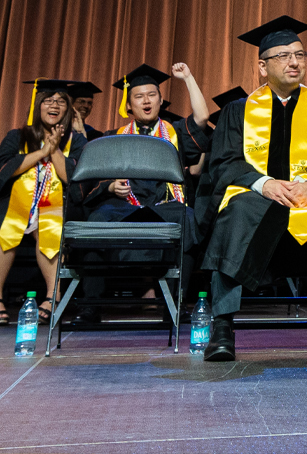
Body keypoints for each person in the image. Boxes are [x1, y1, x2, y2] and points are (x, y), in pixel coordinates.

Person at [199, 16, 307, 362]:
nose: (294, 61)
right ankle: (222, 325)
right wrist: (263, 184)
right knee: (239, 210)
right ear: (262, 67)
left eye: (299, 54)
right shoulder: (238, 111)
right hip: (257, 194)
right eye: (283, 56)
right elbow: (223, 163)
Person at [78, 64, 211, 316]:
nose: (146, 100)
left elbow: (202, 118)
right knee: (95, 221)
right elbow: (93, 179)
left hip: (164, 205)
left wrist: (188, 78)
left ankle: (176, 302)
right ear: (129, 105)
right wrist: (109, 185)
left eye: (152, 95)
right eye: (139, 96)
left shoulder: (175, 133)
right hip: (124, 205)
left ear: (161, 100)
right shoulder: (113, 136)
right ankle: (91, 303)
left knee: (189, 219)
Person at [0, 81, 85, 326]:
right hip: (15, 202)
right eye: (48, 100)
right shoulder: (17, 136)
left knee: (47, 226)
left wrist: (55, 148)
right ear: (38, 106)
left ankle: (52, 297)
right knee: (6, 226)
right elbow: (5, 169)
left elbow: (71, 177)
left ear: (68, 109)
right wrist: (41, 152)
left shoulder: (75, 140)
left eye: (61, 101)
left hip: (57, 205)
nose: (54, 105)